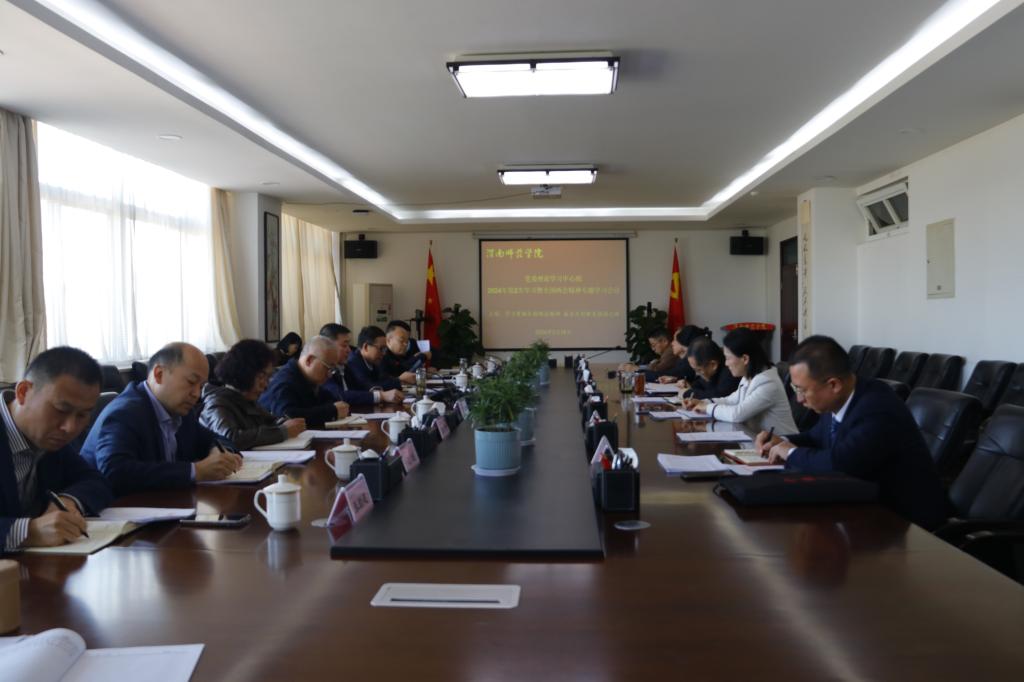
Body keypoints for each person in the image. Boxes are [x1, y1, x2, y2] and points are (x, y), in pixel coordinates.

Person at [755, 335, 948, 530]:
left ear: (834, 385)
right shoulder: (840, 398)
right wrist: (780, 441)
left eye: (802, 390)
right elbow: (815, 438)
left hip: (905, 522)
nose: (799, 399)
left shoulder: (877, 408)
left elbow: (841, 464)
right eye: (795, 388)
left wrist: (789, 452)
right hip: (862, 506)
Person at [80, 343, 241, 496]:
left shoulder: (181, 411)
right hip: (117, 509)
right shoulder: (125, 413)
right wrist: (195, 471)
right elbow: (114, 471)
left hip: (168, 504)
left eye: (201, 386)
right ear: (159, 374)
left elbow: (216, 439)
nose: (196, 394)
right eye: (191, 382)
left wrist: (219, 452)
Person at [1, 347, 113, 551]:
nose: (70, 428)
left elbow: (96, 481)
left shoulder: (49, 438)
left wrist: (68, 501)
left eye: (82, 415)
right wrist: (28, 532)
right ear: (23, 392)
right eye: (61, 410)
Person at [685, 327, 797, 433]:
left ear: (745, 359)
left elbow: (737, 414)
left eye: (728, 358)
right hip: (761, 441)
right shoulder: (749, 377)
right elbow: (730, 400)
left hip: (782, 443)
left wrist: (707, 407)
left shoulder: (768, 382)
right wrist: (703, 402)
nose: (726, 363)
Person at [200, 339, 306, 449]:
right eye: (261, 377)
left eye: (268, 378)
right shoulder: (217, 402)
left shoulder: (247, 399)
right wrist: (282, 431)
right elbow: (229, 439)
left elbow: (272, 421)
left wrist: (286, 422)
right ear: (243, 372)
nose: (265, 385)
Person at [258, 336, 351, 428]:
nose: (330, 374)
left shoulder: (309, 378)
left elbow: (330, 401)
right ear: (309, 360)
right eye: (328, 367)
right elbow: (288, 417)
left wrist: (340, 408)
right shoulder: (285, 381)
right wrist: (332, 411)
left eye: (333, 369)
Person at [319, 324, 403, 405]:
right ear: (327, 347)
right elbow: (340, 396)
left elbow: (365, 387)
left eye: (348, 345)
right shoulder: (323, 370)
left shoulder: (345, 367)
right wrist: (381, 396)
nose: (349, 350)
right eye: (344, 345)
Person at [346, 326, 404, 392]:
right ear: (366, 347)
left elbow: (384, 380)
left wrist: (397, 381)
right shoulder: (353, 363)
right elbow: (371, 387)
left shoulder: (373, 362)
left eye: (385, 349)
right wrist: (399, 380)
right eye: (381, 349)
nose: (383, 353)